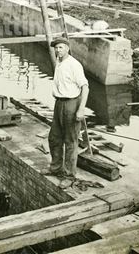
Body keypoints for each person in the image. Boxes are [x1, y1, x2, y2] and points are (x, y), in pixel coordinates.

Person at [42, 37, 89, 180]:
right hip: (59, 103)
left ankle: (69, 176)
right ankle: (56, 168)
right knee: (54, 138)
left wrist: (81, 109)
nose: (58, 50)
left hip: (71, 104)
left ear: (67, 48)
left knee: (70, 141)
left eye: (61, 47)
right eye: (56, 48)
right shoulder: (59, 62)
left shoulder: (74, 65)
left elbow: (85, 88)